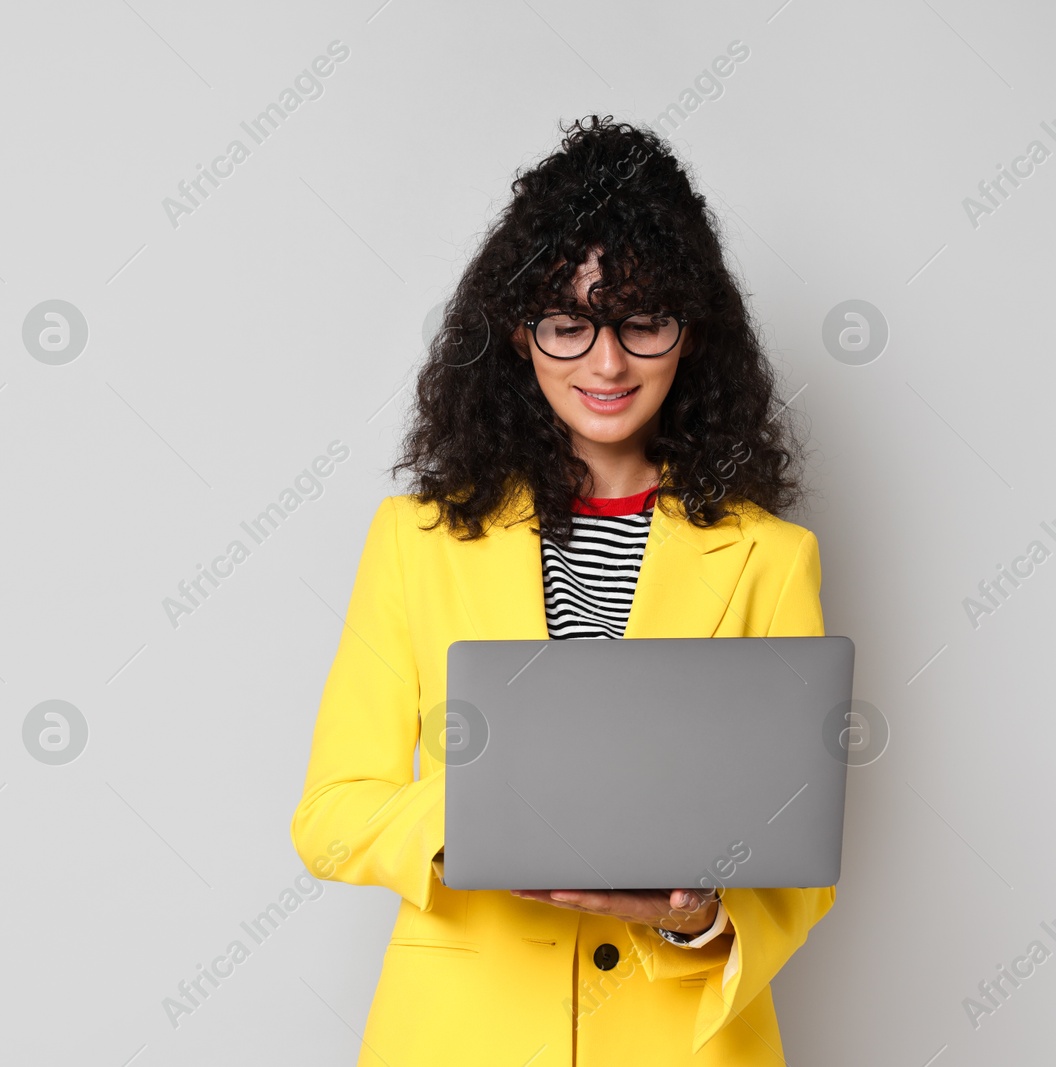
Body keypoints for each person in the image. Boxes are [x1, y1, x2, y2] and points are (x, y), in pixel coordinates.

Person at [289, 115, 834, 1065]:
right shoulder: (416, 543)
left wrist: (699, 916)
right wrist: (471, 827)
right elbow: (333, 811)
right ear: (520, 335)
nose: (607, 362)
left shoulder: (771, 557)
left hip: (682, 1038)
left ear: (690, 334)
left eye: (642, 322)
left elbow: (798, 856)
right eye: (569, 323)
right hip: (462, 1033)